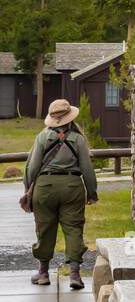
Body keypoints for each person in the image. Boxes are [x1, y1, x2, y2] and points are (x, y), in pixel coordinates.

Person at [24, 99, 98, 290]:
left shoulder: (42, 137)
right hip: (72, 186)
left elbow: (32, 168)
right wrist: (92, 192)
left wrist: (27, 189)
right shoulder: (79, 139)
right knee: (73, 228)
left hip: (45, 187)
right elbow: (87, 169)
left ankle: (43, 273)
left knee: (44, 228)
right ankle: (74, 274)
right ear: (70, 117)